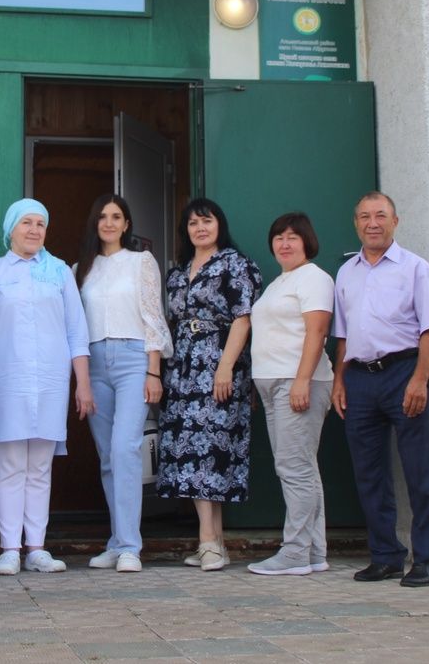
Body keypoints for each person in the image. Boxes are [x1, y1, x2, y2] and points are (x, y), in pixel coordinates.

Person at [0, 198, 93, 576]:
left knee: (40, 467)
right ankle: (9, 548)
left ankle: (36, 547)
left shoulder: (59, 273)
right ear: (11, 229)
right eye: (27, 223)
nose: (35, 230)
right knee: (9, 467)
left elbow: (77, 332)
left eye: (41, 223)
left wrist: (82, 385)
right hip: (6, 382)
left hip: (52, 382)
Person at [332, 193, 429, 587]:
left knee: (421, 472)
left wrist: (420, 379)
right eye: (364, 216)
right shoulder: (346, 273)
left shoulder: (415, 269)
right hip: (360, 379)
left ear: (395, 221)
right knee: (370, 473)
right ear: (356, 223)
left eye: (380, 215)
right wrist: (339, 381)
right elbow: (344, 336)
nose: (372, 223)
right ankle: (385, 556)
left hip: (404, 372)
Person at [157, 198, 261, 571]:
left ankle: (207, 541)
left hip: (218, 363)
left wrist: (225, 368)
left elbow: (243, 318)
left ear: (219, 224)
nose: (200, 228)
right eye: (193, 223)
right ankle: (214, 542)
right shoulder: (177, 272)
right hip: (182, 369)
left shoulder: (235, 264)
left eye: (207, 221)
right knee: (190, 452)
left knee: (211, 449)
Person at [74, 194, 172, 573]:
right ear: (94, 223)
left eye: (117, 217)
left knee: (125, 447)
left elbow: (152, 314)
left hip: (134, 359)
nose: (109, 223)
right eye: (103, 217)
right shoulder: (80, 268)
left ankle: (131, 545)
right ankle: (116, 542)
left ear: (127, 224)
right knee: (108, 457)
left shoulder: (141, 262)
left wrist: (153, 370)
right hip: (95, 362)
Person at [248, 212, 334, 576]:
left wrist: (302, 380)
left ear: (307, 242)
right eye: (279, 237)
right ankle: (314, 551)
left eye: (293, 237)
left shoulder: (314, 278)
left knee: (293, 468)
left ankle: (295, 550)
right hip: (273, 384)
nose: (284, 243)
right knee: (301, 467)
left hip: (298, 382)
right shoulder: (279, 283)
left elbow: (317, 333)